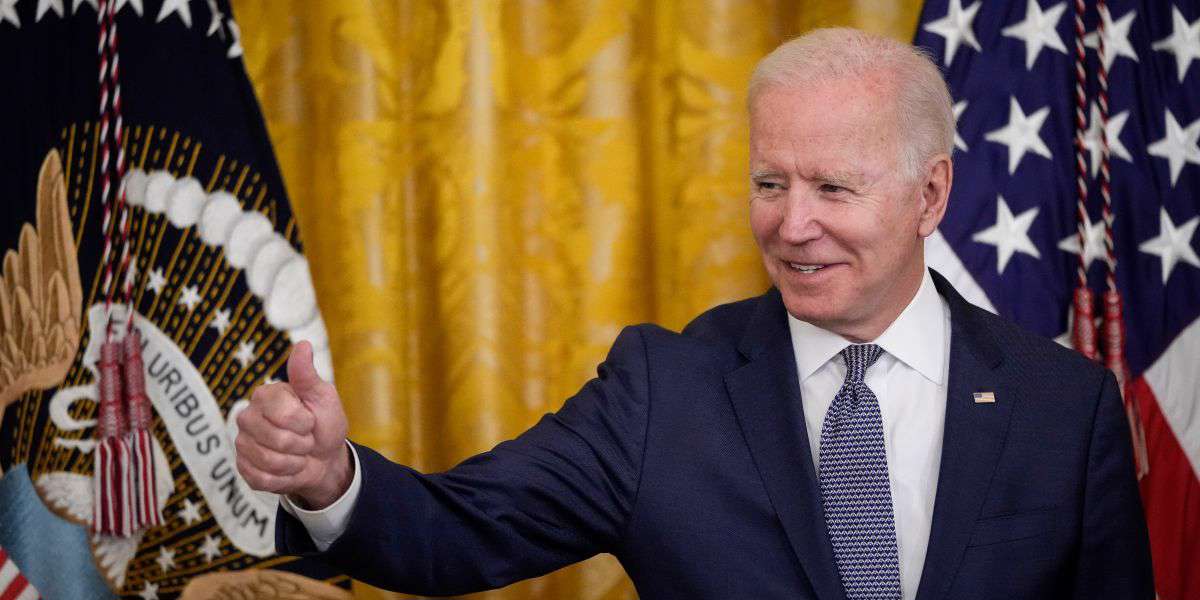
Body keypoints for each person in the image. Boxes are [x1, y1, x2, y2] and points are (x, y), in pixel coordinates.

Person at [235, 28, 1153, 599]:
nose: (792, 224)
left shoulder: (1063, 407)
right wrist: (329, 477)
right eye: (770, 183)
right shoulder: (661, 390)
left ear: (931, 194)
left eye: (834, 187)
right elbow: (457, 535)